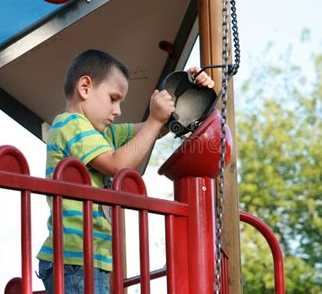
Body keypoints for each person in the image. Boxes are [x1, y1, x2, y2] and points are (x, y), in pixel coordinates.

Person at [36, 49, 215, 293]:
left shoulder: (104, 134)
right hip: (74, 258)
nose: (118, 110)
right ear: (85, 87)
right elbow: (117, 164)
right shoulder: (69, 124)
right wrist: (154, 120)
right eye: (113, 98)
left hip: (89, 257)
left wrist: (185, 93)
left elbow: (154, 131)